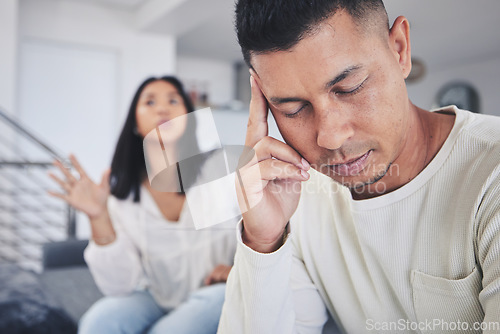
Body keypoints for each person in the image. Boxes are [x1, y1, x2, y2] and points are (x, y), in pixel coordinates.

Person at [219, 1, 500, 333]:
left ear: (400, 49)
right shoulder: (293, 198)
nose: (331, 137)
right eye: (294, 109)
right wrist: (263, 242)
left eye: (350, 87)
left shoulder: (489, 174)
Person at [48, 76, 237, 334]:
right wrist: (98, 216)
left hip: (216, 292)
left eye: (173, 100)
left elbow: (259, 227)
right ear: (135, 125)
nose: (162, 108)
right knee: (99, 321)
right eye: (150, 102)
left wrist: (240, 268)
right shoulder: (121, 199)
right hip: (155, 297)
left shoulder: (219, 171)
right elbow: (119, 288)